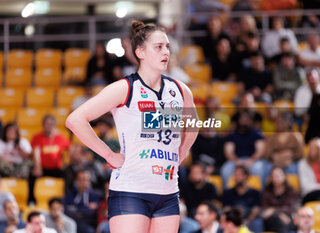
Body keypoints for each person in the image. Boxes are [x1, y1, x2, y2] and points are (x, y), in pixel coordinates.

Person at [65, 20, 198, 233]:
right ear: (140, 52)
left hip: (168, 192)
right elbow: (75, 120)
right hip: (131, 191)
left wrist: (183, 149)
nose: (166, 52)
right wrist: (108, 154)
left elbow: (193, 122)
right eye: (158, 47)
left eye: (167, 47)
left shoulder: (181, 90)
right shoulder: (125, 88)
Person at [222, 165, 262, 233]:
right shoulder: (228, 193)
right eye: (235, 175)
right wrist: (235, 221)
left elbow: (256, 210)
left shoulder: (255, 193)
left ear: (246, 176)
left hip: (250, 219)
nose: (236, 177)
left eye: (239, 175)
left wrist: (247, 221)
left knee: (257, 223)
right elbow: (226, 209)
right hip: (234, 220)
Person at [261, 167, 299, 233]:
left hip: (287, 217)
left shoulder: (291, 191)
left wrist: (274, 210)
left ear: (284, 176)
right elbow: (265, 209)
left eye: (277, 176)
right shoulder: (267, 191)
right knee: (257, 222)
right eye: (273, 176)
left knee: (281, 221)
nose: (275, 178)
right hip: (270, 219)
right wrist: (278, 214)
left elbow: (289, 208)